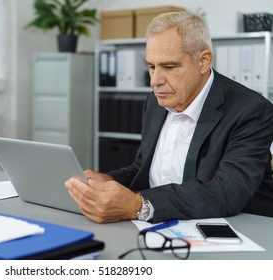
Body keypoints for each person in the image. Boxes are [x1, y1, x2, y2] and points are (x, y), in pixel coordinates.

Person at [65, 11, 273, 224]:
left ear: (203, 61)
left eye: (169, 66)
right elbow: (143, 167)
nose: (155, 81)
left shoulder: (252, 110)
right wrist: (108, 181)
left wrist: (139, 205)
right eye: (151, 66)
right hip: (164, 225)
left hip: (240, 229)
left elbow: (227, 191)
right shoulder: (155, 102)